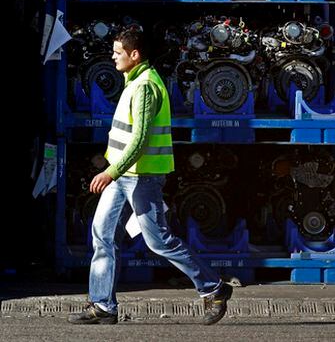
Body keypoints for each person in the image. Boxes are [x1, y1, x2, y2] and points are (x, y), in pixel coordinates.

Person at [68, 26, 232, 326]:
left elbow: (140, 138)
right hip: (123, 176)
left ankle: (214, 288)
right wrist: (115, 172)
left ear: (135, 54)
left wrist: (110, 171)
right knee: (102, 234)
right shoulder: (136, 81)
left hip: (141, 177)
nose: (113, 57)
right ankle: (103, 305)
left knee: (159, 241)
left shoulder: (144, 86)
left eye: (118, 52)